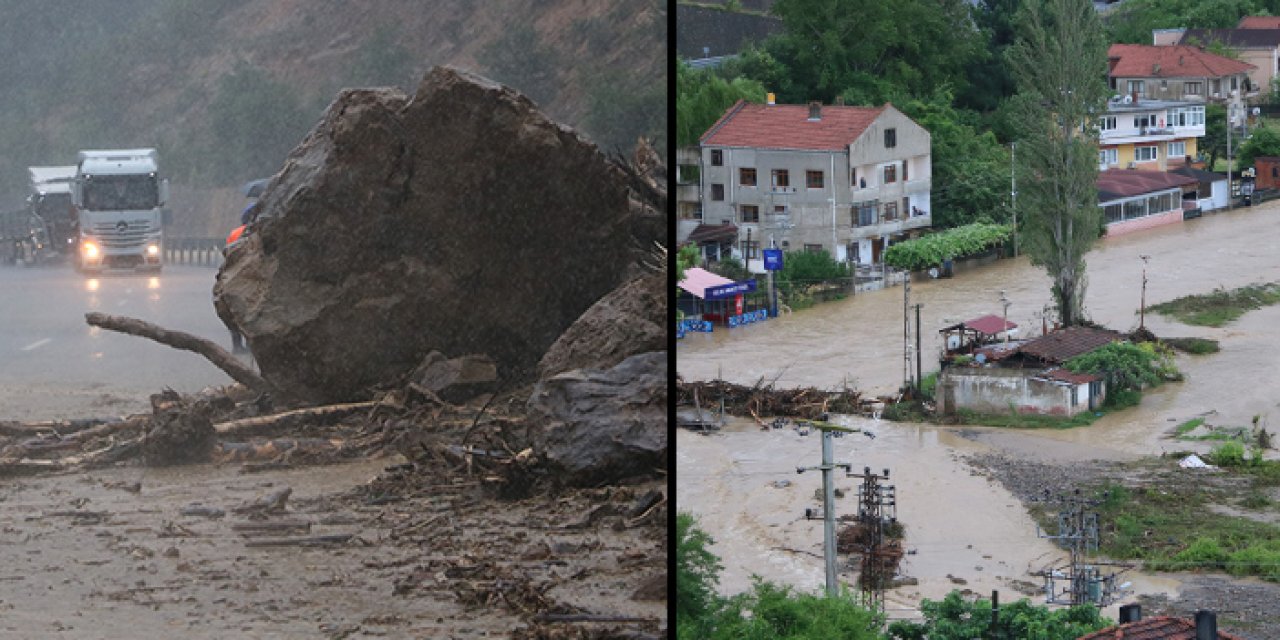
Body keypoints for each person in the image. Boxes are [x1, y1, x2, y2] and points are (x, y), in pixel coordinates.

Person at [223, 223, 249, 354]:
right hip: (250, 276)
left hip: (234, 276)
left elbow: (226, 253)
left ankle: (237, 346)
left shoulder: (235, 233)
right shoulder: (259, 230)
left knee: (233, 313)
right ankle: (250, 346)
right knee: (249, 312)